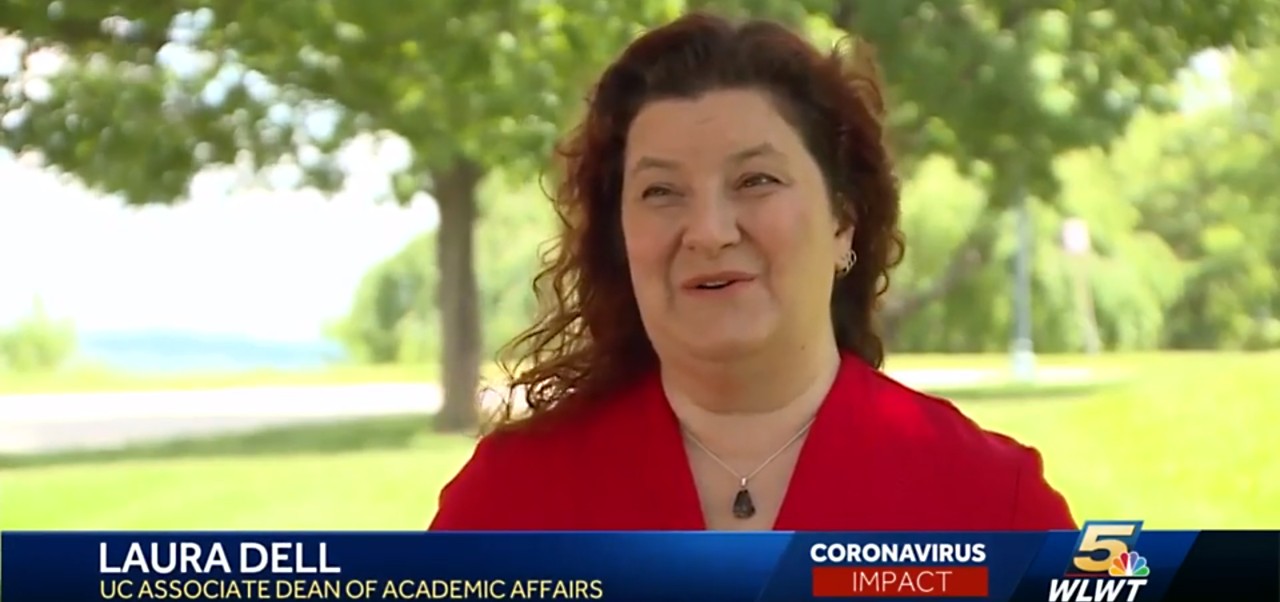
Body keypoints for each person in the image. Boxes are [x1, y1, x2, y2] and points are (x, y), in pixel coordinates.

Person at [429, 12, 1076, 531]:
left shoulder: (994, 506)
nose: (709, 232)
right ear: (621, 238)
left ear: (843, 221)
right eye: (660, 191)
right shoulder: (506, 506)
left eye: (756, 180)